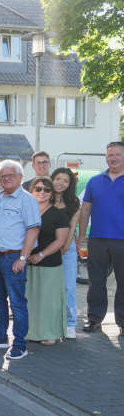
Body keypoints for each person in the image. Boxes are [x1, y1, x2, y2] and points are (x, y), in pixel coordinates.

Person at [0, 160, 40, 360]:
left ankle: (19, 344)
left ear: (20, 177)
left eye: (9, 176)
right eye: (2, 176)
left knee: (17, 303)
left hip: (13, 258)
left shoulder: (27, 200)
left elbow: (33, 229)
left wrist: (22, 258)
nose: (5, 179)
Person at [78, 141, 124, 335]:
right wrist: (82, 236)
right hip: (97, 238)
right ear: (106, 157)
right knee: (96, 281)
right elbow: (86, 209)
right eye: (110, 155)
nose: (113, 158)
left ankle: (122, 322)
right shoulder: (94, 181)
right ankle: (94, 318)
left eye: (117, 154)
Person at [25, 177, 69, 345]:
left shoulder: (59, 214)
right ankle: (30, 332)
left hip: (49, 263)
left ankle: (50, 333)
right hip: (26, 263)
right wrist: (24, 255)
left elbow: (60, 241)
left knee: (49, 301)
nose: (42, 192)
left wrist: (40, 255)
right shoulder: (26, 211)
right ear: (31, 191)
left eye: (47, 190)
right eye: (38, 189)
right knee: (30, 299)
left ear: (52, 194)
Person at [52, 167, 81, 339]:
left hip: (66, 249)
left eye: (65, 180)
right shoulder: (44, 198)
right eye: (58, 179)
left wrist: (63, 248)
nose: (61, 183)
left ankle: (70, 323)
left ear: (69, 185)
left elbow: (71, 228)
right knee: (49, 288)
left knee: (68, 286)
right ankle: (52, 322)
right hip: (46, 249)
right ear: (52, 179)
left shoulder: (74, 202)